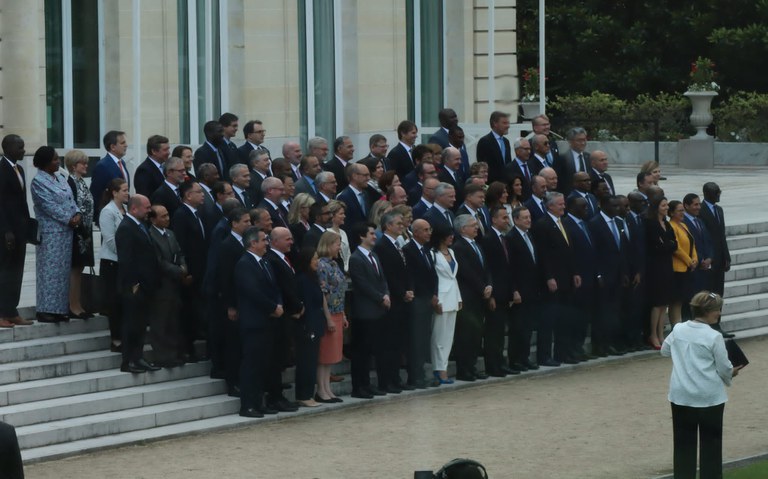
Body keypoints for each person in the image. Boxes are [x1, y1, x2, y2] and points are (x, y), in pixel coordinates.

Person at [661, 291, 742, 479]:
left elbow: (665, 351)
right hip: (709, 398)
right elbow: (724, 369)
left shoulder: (679, 329)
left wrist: (684, 357)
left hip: (681, 396)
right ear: (707, 311)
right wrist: (733, 372)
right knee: (711, 448)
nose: (719, 314)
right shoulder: (714, 337)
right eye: (717, 310)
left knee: (683, 446)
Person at [234, 227, 284, 418]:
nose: (267, 243)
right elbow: (253, 292)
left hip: (267, 322)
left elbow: (274, 287)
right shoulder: (244, 264)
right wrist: (273, 307)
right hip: (254, 323)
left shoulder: (264, 262)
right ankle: (248, 405)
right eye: (263, 240)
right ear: (253, 243)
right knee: (251, 366)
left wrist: (278, 303)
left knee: (263, 365)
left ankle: (259, 402)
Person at [31, 146, 81, 323]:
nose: (58, 162)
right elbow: (48, 205)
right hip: (51, 233)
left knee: (62, 272)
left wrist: (77, 213)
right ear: (45, 163)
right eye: (54, 159)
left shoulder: (60, 177)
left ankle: (59, 309)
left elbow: (70, 198)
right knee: (49, 272)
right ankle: (45, 309)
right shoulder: (38, 181)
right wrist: (68, 218)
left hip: (66, 232)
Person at [115, 195, 161, 373]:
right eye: (147, 207)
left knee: (140, 324)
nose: (150, 210)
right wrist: (134, 284)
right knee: (131, 325)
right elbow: (126, 260)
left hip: (144, 285)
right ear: (134, 209)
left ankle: (138, 357)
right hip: (133, 286)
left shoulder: (140, 225)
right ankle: (128, 360)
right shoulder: (126, 228)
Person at [348, 222, 391, 399]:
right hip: (364, 311)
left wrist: (386, 293)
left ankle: (367, 384)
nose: (375, 236)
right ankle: (359, 386)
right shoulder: (356, 258)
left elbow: (382, 279)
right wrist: (380, 297)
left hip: (378, 310)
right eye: (371, 233)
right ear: (362, 236)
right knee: (361, 351)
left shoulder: (374, 256)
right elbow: (362, 284)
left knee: (374, 348)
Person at [147, 205, 188, 367]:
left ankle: (173, 353)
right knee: (160, 322)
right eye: (163, 216)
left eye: (167, 215)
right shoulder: (151, 236)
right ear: (153, 219)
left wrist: (184, 266)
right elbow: (159, 262)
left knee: (173, 321)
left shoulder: (170, 234)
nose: (167, 218)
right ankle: (162, 356)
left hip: (174, 285)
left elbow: (179, 252)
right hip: (161, 286)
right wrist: (178, 271)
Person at [0, 134, 33, 328]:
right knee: (4, 272)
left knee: (17, 271)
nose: (23, 150)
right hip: (6, 232)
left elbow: (21, 201)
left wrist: (27, 225)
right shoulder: (1, 169)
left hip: (20, 229)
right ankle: (1, 312)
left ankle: (12, 310)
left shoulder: (19, 168)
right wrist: (6, 230)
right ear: (8, 148)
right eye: (20, 147)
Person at [293, 247, 329, 408]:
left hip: (316, 322)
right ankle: (303, 394)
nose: (317, 261)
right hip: (308, 325)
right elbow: (307, 304)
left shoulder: (312, 278)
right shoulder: (302, 279)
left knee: (312, 360)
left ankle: (308, 392)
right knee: (305, 361)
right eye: (314, 259)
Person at [315, 231, 348, 402]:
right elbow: (323, 294)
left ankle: (327, 388)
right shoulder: (321, 265)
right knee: (324, 355)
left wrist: (343, 314)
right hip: (327, 314)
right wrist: (328, 318)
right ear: (328, 245)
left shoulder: (334, 264)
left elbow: (339, 291)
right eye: (337, 243)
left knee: (331, 356)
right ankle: (321, 389)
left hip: (337, 311)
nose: (339, 247)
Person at [64, 150, 95, 319]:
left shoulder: (81, 181)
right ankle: (72, 305)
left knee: (80, 268)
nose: (86, 165)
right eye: (83, 163)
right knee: (75, 269)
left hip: (86, 231)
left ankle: (78, 303)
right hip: (77, 232)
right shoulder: (70, 182)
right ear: (73, 166)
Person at [98, 179, 128, 351]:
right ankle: (116, 338)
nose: (127, 193)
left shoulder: (124, 209)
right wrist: (126, 255)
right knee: (114, 301)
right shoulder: (108, 212)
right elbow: (110, 240)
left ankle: (124, 335)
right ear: (114, 192)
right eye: (123, 190)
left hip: (124, 262)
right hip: (112, 262)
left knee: (124, 301)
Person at [430, 223, 461, 384]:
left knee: (449, 336)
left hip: (453, 297)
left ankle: (444, 366)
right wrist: (436, 299)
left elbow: (453, 277)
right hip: (441, 297)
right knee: (438, 336)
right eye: (448, 234)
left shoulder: (452, 252)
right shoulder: (433, 253)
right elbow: (434, 278)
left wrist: (459, 298)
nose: (451, 237)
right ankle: (438, 368)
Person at [645, 196, 677, 349]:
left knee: (665, 303)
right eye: (663, 205)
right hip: (655, 266)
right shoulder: (650, 224)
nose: (666, 208)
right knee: (657, 303)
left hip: (667, 264)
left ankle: (660, 333)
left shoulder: (667, 224)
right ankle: (653, 334)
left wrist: (666, 245)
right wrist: (666, 245)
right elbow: (656, 246)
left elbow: (673, 244)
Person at [669, 200, 698, 326]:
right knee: (676, 300)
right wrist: (688, 261)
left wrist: (695, 259)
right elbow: (677, 247)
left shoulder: (683, 225)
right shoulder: (671, 226)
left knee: (683, 299)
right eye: (679, 211)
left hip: (688, 267)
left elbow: (692, 243)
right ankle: (676, 326)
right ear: (671, 213)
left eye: (683, 210)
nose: (682, 213)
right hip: (678, 268)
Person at [90, 130, 129, 221]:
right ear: (112, 147)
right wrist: (99, 217)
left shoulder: (122, 162)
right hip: (109, 215)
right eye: (122, 143)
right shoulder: (102, 166)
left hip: (122, 212)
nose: (126, 145)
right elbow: (96, 193)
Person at [475, 111, 512, 185]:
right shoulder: (485, 141)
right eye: (504, 123)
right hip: (492, 186)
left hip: (506, 185)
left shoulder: (506, 142)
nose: (508, 126)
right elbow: (483, 166)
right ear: (495, 124)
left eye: (508, 123)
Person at [326, 200, 351, 271]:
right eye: (341, 214)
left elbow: (348, 254)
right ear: (332, 215)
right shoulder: (328, 233)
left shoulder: (343, 232)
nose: (344, 216)